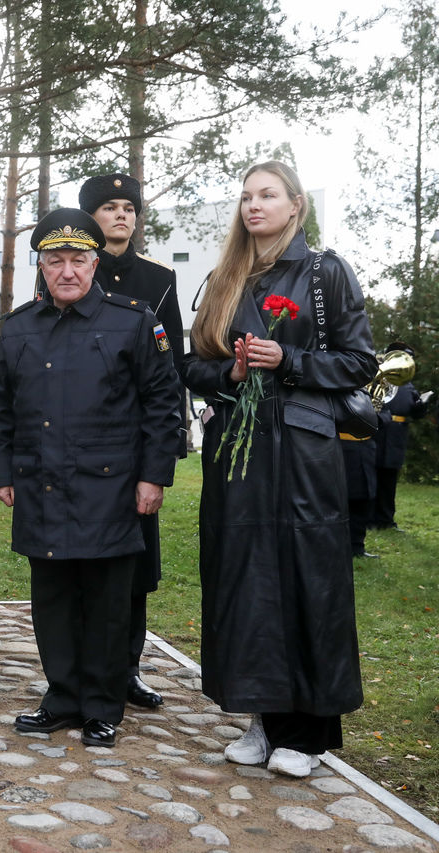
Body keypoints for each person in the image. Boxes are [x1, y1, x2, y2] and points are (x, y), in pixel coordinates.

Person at [183, 161, 375, 778]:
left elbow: (357, 361)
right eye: (245, 196)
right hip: (238, 455)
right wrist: (232, 373)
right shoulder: (225, 278)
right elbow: (193, 368)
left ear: (296, 205)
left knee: (306, 577)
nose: (253, 206)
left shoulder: (325, 272)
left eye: (267, 195)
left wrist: (287, 358)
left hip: (304, 449)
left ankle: (308, 733)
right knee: (243, 577)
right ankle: (261, 719)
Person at [0, 208, 182, 748]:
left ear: (95, 264)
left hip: (112, 487)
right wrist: (0, 470)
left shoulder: (134, 320)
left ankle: (102, 705)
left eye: (78, 260)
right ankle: (62, 699)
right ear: (42, 267)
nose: (67, 271)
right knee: (52, 601)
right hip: (41, 485)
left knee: (106, 601)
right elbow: (1, 406)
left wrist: (154, 477)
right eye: (55, 261)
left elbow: (163, 406)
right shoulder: (19, 326)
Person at [79, 172, 185, 709]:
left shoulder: (159, 281)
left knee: (136, 564)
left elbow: (172, 371)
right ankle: (80, 667)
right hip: (82, 439)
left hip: (136, 444)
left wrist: (163, 452)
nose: (121, 215)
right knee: (80, 557)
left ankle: (127, 668)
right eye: (109, 207)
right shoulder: (72, 271)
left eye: (128, 207)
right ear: (91, 217)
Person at [372, 341, 432, 530]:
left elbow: (415, 413)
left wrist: (421, 406)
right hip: (378, 433)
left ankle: (386, 521)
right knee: (373, 478)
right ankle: (368, 520)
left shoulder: (408, 384)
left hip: (397, 437)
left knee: (389, 481)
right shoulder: (377, 380)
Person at [340, 432, 377, 558]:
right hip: (342, 448)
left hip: (365, 447)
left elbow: (384, 414)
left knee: (363, 499)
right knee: (344, 499)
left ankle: (357, 547)